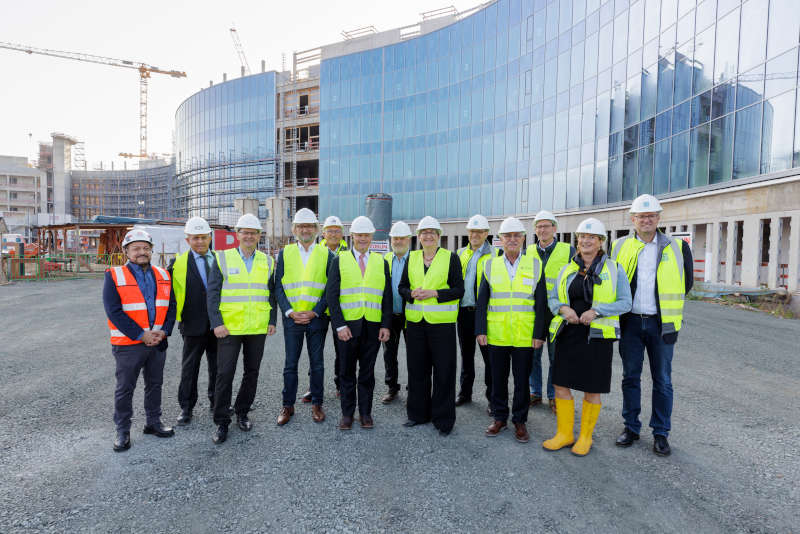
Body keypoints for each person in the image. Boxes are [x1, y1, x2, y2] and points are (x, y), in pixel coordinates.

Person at [611, 194, 693, 456]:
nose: (646, 220)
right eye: (641, 216)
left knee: (663, 380)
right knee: (630, 377)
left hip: (662, 324)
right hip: (631, 322)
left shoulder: (677, 247)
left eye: (651, 216)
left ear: (659, 218)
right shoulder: (619, 246)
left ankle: (660, 432)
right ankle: (631, 427)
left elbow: (686, 283)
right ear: (632, 219)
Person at [542, 218, 631, 456]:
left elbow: (626, 302)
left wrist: (598, 310)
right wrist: (563, 309)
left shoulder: (614, 268)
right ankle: (564, 434)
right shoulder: (567, 268)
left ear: (601, 241)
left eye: (592, 237)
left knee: (592, 388)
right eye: (582, 237)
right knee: (560, 383)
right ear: (577, 240)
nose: (586, 241)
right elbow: (552, 298)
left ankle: (585, 437)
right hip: (568, 333)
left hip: (597, 337)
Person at [207, 213, 277, 444]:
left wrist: (272, 320)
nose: (249, 236)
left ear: (259, 236)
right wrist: (217, 323)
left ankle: (242, 412)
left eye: (253, 233)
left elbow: (271, 293)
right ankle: (221, 421)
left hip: (256, 326)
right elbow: (213, 293)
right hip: (230, 327)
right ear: (237, 235)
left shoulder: (267, 261)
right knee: (224, 374)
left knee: (252, 373)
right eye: (245, 232)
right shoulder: (223, 258)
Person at [103, 229, 176, 452]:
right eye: (136, 248)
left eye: (145, 248)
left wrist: (164, 331)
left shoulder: (163, 274)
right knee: (125, 388)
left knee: (155, 385)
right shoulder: (114, 275)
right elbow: (113, 311)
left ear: (151, 250)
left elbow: (171, 306)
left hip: (157, 341)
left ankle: (153, 423)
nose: (141, 252)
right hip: (128, 345)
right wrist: (141, 334)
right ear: (126, 251)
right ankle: (122, 430)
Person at [476, 217, 547, 443]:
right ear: (501, 240)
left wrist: (539, 334)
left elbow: (541, 302)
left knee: (521, 382)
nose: (513, 240)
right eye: (508, 236)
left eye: (517, 236)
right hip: (496, 333)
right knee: (497, 379)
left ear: (524, 239)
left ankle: (519, 420)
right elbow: (482, 301)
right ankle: (499, 417)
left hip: (524, 335)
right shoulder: (490, 264)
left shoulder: (535, 265)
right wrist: (481, 329)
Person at [398, 216, 464, 436]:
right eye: (423, 232)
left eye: (432, 233)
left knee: (444, 371)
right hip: (416, 324)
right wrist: (411, 294)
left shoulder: (450, 258)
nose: (427, 236)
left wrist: (435, 293)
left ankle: (443, 419)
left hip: (442, 325)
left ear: (438, 237)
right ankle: (417, 414)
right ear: (418, 237)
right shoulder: (412, 257)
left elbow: (458, 290)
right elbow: (402, 287)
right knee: (417, 370)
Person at [326, 216, 392, 429]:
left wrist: (385, 325)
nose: (363, 238)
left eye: (366, 235)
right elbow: (332, 296)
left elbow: (387, 297)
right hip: (347, 328)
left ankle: (365, 413)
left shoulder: (381, 262)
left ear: (372, 236)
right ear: (352, 236)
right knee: (346, 372)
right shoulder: (340, 260)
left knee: (367, 372)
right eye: (359, 235)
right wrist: (339, 325)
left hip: (372, 326)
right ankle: (347, 414)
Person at [274, 208, 333, 426]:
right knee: (290, 364)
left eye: (309, 226)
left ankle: (317, 403)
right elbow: (278, 286)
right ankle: (287, 405)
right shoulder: (284, 253)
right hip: (292, 320)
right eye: (301, 226)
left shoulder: (327, 254)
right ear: (294, 230)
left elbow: (330, 289)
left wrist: (315, 311)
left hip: (316, 319)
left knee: (317, 364)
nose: (305, 230)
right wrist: (290, 312)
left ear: (317, 230)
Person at [170, 216, 218, 425]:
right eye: (195, 238)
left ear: (210, 237)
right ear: (187, 240)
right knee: (190, 367)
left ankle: (217, 402)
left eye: (203, 237)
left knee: (218, 367)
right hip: (192, 324)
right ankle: (186, 407)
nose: (200, 242)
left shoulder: (221, 259)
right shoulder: (177, 264)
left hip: (218, 324)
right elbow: (169, 297)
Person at [526, 210, 575, 413]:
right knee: (532, 355)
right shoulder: (527, 251)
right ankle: (534, 391)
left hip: (558, 313)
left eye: (546, 226)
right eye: (539, 226)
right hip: (533, 312)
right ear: (535, 230)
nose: (543, 230)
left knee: (557, 357)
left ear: (555, 228)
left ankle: (554, 395)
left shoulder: (568, 250)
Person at [299, 215, 349, 403]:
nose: (333, 234)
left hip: (339, 308)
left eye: (337, 231)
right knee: (316, 351)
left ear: (342, 234)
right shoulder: (315, 251)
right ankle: (314, 386)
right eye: (330, 230)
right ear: (323, 233)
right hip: (319, 308)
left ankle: (340, 385)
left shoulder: (348, 252)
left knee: (341, 350)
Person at [456, 214, 495, 411]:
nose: (475, 235)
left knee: (489, 357)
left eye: (479, 232)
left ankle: (491, 397)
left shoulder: (495, 255)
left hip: (485, 314)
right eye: (472, 231)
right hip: (463, 313)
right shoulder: (460, 253)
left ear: (486, 233)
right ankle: (465, 393)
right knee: (466, 355)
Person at [381, 220, 412, 403]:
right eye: (395, 238)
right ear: (390, 240)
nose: (398, 241)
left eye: (402, 238)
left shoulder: (416, 258)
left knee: (414, 353)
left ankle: (413, 387)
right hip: (390, 315)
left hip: (411, 315)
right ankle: (392, 387)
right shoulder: (384, 260)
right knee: (389, 353)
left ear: (408, 239)